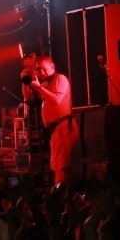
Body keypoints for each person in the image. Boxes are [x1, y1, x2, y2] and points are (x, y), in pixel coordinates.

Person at [21, 54, 79, 187]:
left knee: (61, 166)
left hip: (63, 126)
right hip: (56, 130)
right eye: (38, 69)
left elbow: (57, 100)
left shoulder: (60, 79)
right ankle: (62, 193)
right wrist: (25, 82)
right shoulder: (45, 84)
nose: (40, 72)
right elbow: (28, 99)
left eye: (43, 69)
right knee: (58, 165)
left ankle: (60, 194)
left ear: (52, 66)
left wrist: (39, 87)